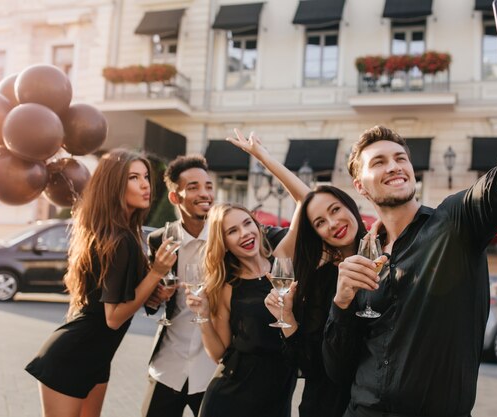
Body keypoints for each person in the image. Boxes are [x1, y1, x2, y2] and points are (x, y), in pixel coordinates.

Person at [323, 2, 497, 416]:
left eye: (400, 157)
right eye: (379, 162)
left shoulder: (457, 221)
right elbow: (337, 367)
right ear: (360, 186)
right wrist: (341, 303)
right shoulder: (362, 258)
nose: (395, 165)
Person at [227, 131, 373, 417]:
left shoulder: (387, 258)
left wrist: (264, 157)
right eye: (320, 222)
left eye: (336, 210)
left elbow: (311, 199)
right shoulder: (319, 279)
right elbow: (309, 362)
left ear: (351, 206)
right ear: (314, 232)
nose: (332, 223)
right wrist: (289, 320)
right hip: (327, 406)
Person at [25, 149, 178, 417]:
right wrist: (156, 272)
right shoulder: (120, 239)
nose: (145, 185)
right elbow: (113, 318)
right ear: (114, 185)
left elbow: (114, 297)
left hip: (96, 357)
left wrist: (151, 296)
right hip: (72, 356)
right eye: (134, 177)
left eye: (146, 177)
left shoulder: (117, 233)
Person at [185, 203, 302, 417]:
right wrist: (202, 315)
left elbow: (305, 200)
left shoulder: (282, 264)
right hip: (232, 401)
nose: (244, 233)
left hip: (278, 399)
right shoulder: (227, 287)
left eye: (247, 223)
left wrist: (268, 166)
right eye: (232, 231)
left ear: (257, 226)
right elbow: (219, 353)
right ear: (224, 244)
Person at [141, 155, 218, 417]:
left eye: (208, 186)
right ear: (175, 197)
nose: (205, 193)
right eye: (194, 187)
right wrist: (154, 298)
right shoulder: (159, 240)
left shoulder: (227, 237)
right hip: (168, 367)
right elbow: (152, 300)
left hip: (214, 370)